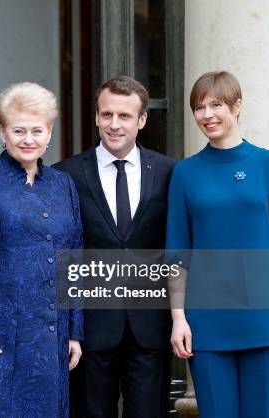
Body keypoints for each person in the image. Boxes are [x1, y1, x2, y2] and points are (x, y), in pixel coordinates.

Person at [167, 71, 269, 418]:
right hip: (207, 322)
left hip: (265, 317)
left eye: (216, 105)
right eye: (199, 107)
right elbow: (177, 253)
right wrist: (178, 319)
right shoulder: (185, 173)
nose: (207, 115)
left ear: (237, 105)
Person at [0, 82, 83, 417]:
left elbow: (74, 260)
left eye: (37, 130)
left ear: (49, 133)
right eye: (18, 130)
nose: (28, 139)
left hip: (51, 339)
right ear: (2, 131)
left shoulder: (62, 184)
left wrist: (75, 332)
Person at [54, 75, 175, 418]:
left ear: (142, 120)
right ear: (96, 117)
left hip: (149, 326)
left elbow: (176, 244)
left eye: (124, 116)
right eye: (107, 115)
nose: (114, 124)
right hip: (90, 329)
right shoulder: (66, 175)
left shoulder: (168, 172)